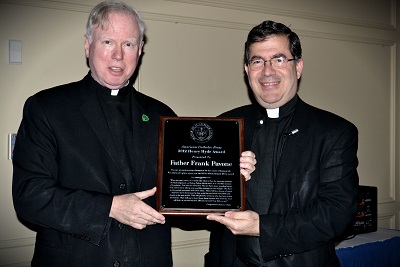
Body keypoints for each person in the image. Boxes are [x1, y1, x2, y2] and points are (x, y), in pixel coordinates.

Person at [12, 1, 256, 266]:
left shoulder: (163, 116)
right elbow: (30, 196)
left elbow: (178, 203)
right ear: (87, 44)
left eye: (128, 44)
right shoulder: (47, 108)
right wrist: (110, 207)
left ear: (140, 51)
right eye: (108, 42)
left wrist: (227, 177)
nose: (118, 55)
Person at [205, 20, 359, 267]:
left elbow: (337, 214)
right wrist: (221, 180)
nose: (267, 71)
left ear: (297, 67)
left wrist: (262, 228)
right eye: (257, 61)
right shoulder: (224, 125)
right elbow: (199, 205)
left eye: (278, 60)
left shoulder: (334, 132)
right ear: (247, 70)